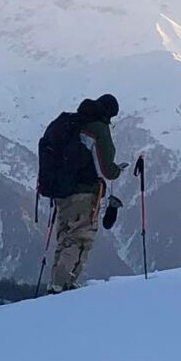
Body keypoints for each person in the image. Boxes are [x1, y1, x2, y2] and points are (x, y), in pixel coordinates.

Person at [46, 93, 125, 293]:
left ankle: (56, 282)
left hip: (62, 192)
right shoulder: (99, 128)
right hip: (84, 193)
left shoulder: (74, 123)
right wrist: (117, 170)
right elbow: (106, 169)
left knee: (65, 237)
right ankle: (63, 285)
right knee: (81, 237)